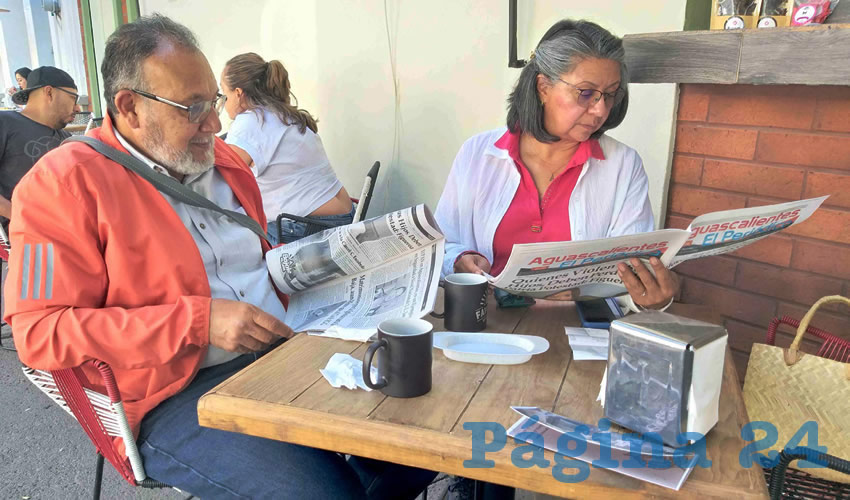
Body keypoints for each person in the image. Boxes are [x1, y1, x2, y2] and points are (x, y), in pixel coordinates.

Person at [5, 14, 434, 499]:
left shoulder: (227, 164)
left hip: (284, 349)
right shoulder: (59, 185)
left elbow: (256, 267)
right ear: (129, 108)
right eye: (192, 108)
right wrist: (196, 322)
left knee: (429, 433)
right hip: (174, 393)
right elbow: (38, 334)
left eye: (213, 101)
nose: (215, 123)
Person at [435, 19, 678, 311]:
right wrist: (460, 259)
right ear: (543, 87)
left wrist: (651, 297)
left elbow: (630, 271)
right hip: (483, 321)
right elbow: (441, 246)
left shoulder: (623, 165)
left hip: (577, 330)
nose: (600, 109)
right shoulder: (478, 154)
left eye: (610, 94)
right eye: (585, 93)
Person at [220, 52, 354, 245]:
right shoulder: (282, 113)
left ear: (238, 94)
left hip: (309, 227)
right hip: (344, 215)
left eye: (224, 95)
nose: (223, 103)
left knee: (232, 240)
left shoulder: (251, 121)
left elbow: (223, 179)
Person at [0, 66, 78, 232]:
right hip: (30, 237)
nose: (77, 108)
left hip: (71, 231)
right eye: (73, 98)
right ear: (49, 93)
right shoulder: (5, 123)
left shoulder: (64, 138)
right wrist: (21, 216)